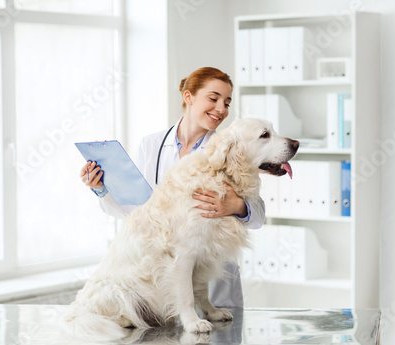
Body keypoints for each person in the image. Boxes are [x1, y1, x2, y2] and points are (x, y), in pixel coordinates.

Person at [79, 67, 265, 308]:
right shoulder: (151, 145)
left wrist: (238, 206)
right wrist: (102, 189)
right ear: (188, 97)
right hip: (162, 282)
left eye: (227, 102)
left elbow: (258, 215)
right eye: (213, 98)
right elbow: (136, 212)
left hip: (214, 284)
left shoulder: (231, 149)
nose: (221, 109)